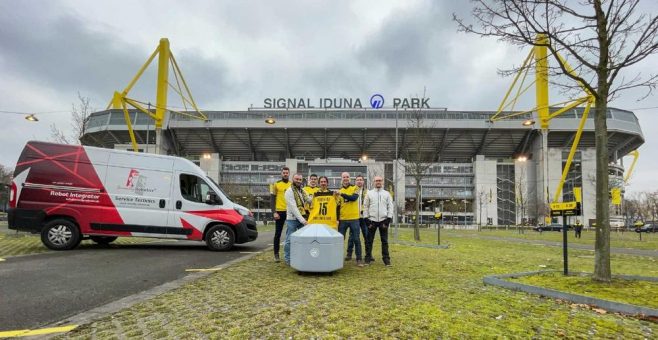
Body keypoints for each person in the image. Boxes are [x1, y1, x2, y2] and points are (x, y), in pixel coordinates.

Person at [364, 176, 394, 266]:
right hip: (372, 220)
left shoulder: (387, 194)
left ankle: (386, 260)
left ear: (382, 182)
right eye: (376, 180)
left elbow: (390, 207)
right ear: (374, 182)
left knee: (384, 241)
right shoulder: (369, 194)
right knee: (369, 241)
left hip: (383, 220)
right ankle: (367, 259)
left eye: (380, 180)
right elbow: (365, 206)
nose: (378, 182)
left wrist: (388, 219)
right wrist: (366, 219)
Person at [283, 173, 312, 265]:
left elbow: (309, 200)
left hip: (302, 218)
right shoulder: (289, 191)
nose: (298, 181)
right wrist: (303, 221)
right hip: (292, 219)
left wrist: (318, 195)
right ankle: (288, 259)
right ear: (293, 179)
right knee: (289, 240)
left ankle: (301, 257)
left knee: (302, 240)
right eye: (297, 179)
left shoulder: (302, 191)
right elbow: (293, 208)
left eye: (300, 179)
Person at [338, 172, 364, 267]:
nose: (346, 178)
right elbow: (337, 206)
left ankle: (359, 259)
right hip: (343, 219)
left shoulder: (355, 188)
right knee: (340, 240)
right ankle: (337, 258)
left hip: (354, 219)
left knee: (356, 239)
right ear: (341, 178)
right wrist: (337, 219)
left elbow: (353, 198)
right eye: (344, 177)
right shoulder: (339, 191)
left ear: (350, 178)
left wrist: (342, 194)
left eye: (347, 177)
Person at [270, 167, 291, 262]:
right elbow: (272, 199)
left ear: (289, 174)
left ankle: (291, 253)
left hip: (290, 212)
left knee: (291, 233)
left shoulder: (292, 185)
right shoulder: (275, 184)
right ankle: (276, 254)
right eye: (284, 173)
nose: (285, 174)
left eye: (287, 173)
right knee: (277, 234)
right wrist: (274, 212)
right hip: (279, 212)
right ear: (281, 173)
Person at [346, 175, 368, 260]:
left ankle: (368, 254)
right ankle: (349, 254)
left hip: (364, 217)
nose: (359, 181)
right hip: (354, 217)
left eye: (361, 180)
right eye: (357, 180)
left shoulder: (367, 192)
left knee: (366, 236)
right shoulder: (352, 190)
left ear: (363, 181)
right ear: (355, 181)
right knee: (352, 236)